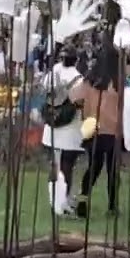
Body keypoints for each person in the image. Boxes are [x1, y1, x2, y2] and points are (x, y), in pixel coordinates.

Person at [71, 48, 124, 218]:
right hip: (112, 130)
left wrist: (86, 109)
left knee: (93, 167)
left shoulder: (90, 80)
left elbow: (73, 96)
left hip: (92, 128)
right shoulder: (117, 82)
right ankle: (112, 205)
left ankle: (83, 199)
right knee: (112, 170)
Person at [41, 47, 85, 206]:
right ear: (77, 60)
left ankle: (54, 199)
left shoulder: (52, 73)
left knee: (55, 164)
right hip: (70, 129)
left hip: (51, 127)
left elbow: (44, 91)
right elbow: (80, 103)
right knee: (67, 165)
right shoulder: (78, 78)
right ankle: (63, 200)